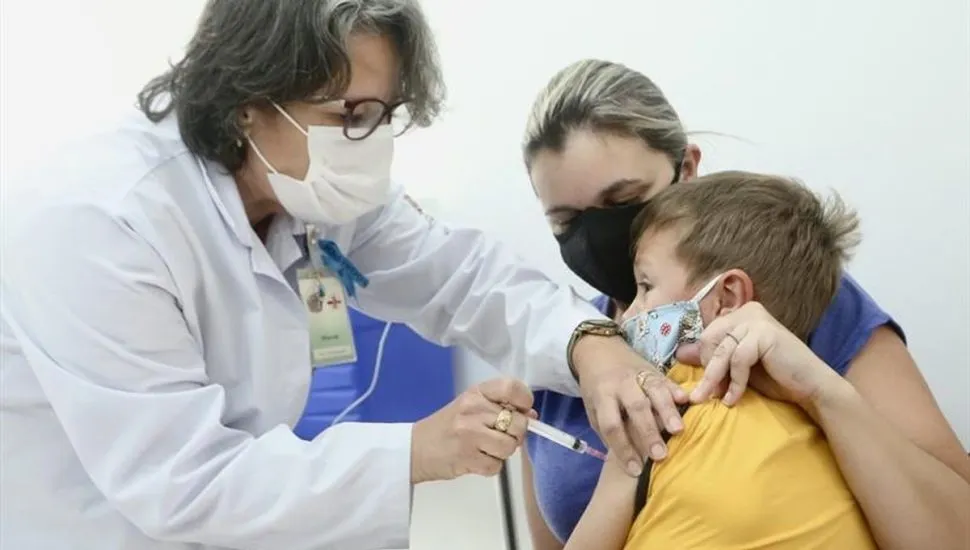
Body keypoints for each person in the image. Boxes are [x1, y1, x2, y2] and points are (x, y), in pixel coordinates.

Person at [0, 5, 683, 550]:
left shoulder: (310, 190)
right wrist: (418, 449)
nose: (371, 142)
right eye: (350, 115)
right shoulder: (100, 218)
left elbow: (463, 277)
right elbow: (185, 481)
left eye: (384, 114)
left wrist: (589, 340)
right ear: (248, 100)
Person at [521, 59, 970, 550]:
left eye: (622, 199)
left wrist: (823, 394)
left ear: (686, 169)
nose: (598, 237)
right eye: (566, 221)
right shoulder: (559, 353)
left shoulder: (804, 298)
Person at [565, 171, 877, 549]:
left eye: (646, 286)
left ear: (726, 298)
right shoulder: (841, 439)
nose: (629, 315)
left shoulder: (665, 415)